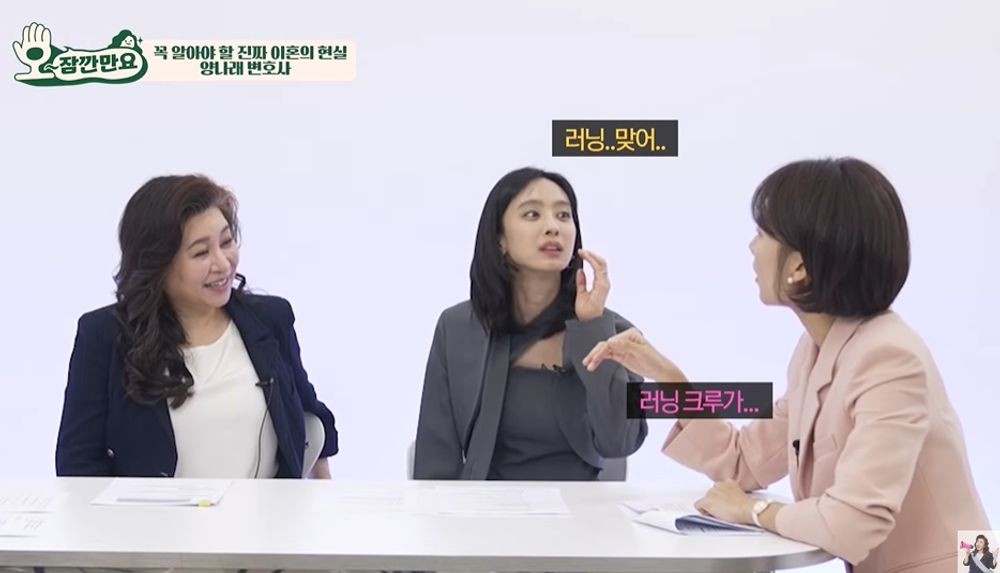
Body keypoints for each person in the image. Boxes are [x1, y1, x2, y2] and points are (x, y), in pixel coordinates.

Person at [582, 158, 989, 572]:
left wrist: (753, 511)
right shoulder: (817, 350)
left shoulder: (888, 357)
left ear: (799, 266)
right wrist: (671, 380)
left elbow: (852, 522)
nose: (752, 247)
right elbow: (743, 461)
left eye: (762, 234)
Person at [56, 174, 338, 479]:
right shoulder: (104, 336)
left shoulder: (271, 319)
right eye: (201, 252)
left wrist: (322, 498)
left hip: (266, 511)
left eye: (226, 242)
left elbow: (310, 417)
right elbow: (78, 462)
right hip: (150, 512)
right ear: (158, 264)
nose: (223, 263)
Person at [414, 167, 647, 480]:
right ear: (500, 239)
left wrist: (592, 326)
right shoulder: (457, 328)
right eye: (532, 215)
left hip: (583, 507)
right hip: (484, 507)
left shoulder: (613, 331)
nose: (553, 227)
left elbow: (621, 442)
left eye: (563, 216)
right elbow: (435, 458)